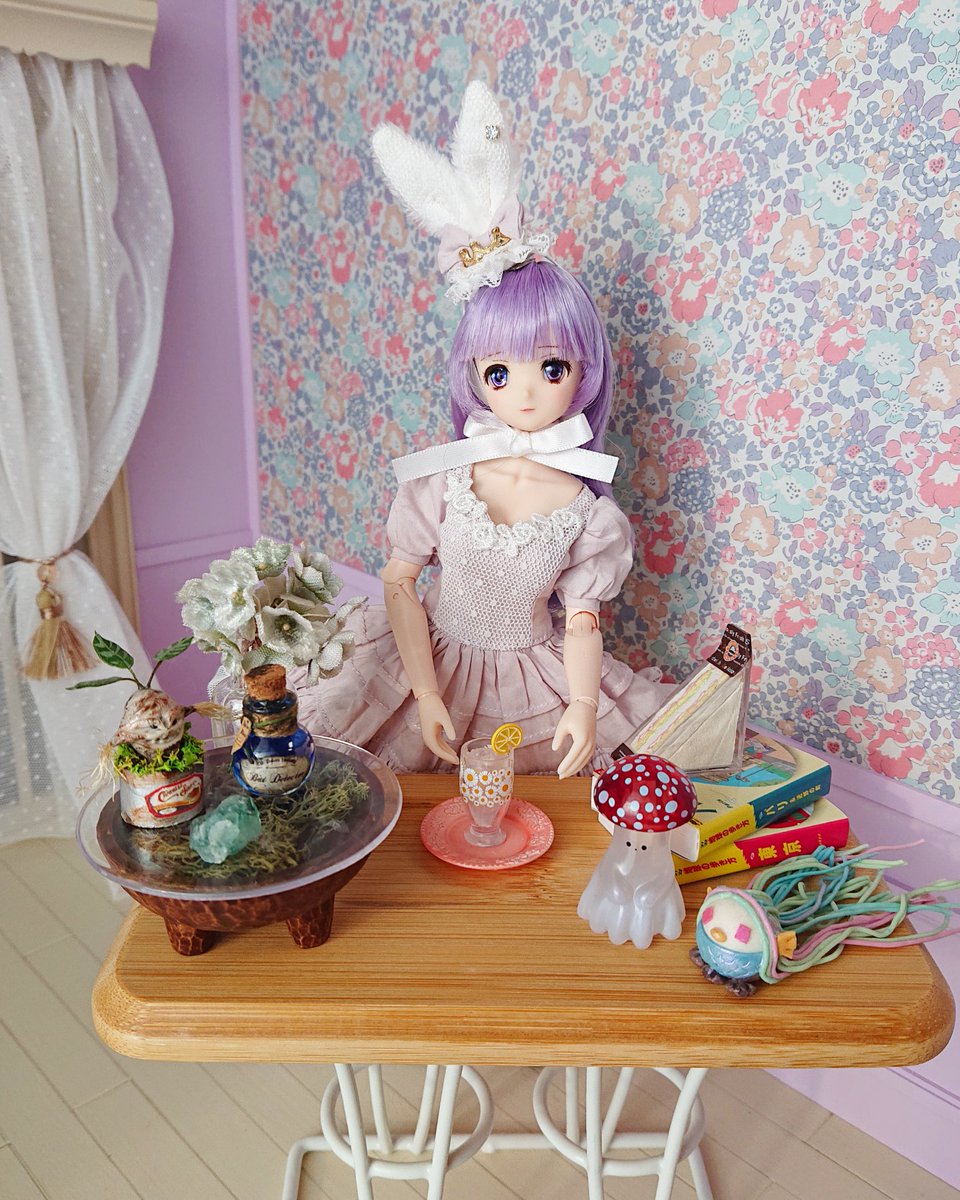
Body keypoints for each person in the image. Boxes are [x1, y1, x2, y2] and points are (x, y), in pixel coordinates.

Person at [294, 84, 671, 775]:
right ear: (474, 373)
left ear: (583, 370)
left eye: (551, 368)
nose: (524, 392)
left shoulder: (588, 512)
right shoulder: (445, 478)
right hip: (428, 663)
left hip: (530, 681)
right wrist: (424, 691)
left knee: (523, 810)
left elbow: (582, 619)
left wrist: (583, 704)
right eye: (499, 372)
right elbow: (401, 582)